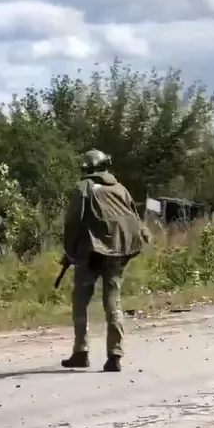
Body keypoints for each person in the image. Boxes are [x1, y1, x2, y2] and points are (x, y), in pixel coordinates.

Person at [61, 149, 151, 372]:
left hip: (91, 253)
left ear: (86, 168)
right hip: (117, 252)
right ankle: (115, 355)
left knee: (80, 300)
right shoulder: (120, 188)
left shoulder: (84, 187)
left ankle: (81, 352)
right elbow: (135, 217)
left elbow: (73, 222)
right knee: (113, 301)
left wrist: (70, 252)